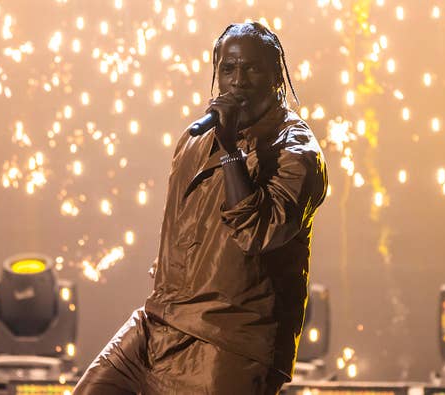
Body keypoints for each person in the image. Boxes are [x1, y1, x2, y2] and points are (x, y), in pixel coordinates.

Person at [73, 22, 328, 395]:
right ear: (217, 75)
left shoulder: (296, 153)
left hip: (228, 341)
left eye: (252, 68)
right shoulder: (197, 138)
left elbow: (258, 233)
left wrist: (231, 152)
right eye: (229, 69)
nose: (238, 80)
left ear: (276, 77)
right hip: (159, 322)